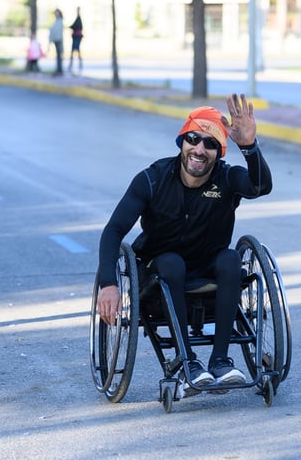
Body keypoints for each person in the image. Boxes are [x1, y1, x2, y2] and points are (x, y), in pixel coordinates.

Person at [95, 94, 272, 397]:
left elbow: (260, 186)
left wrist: (250, 147)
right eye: (193, 139)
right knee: (172, 262)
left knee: (231, 259)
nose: (200, 149)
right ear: (182, 142)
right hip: (158, 276)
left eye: (211, 143)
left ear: (219, 152)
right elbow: (113, 231)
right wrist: (109, 284)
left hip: (210, 271)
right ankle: (187, 363)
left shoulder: (226, 178)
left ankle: (219, 361)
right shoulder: (151, 179)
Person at [48, 8, 64, 76]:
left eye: (56, 13)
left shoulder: (60, 21)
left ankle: (59, 70)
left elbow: (56, 30)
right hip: (56, 40)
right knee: (58, 56)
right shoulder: (56, 21)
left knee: (59, 56)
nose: (55, 14)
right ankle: (58, 70)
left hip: (58, 40)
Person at [68, 7, 83, 73]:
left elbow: (76, 26)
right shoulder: (77, 18)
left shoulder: (79, 19)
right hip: (75, 37)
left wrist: (71, 27)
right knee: (75, 50)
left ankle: (76, 64)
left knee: (75, 50)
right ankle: (74, 64)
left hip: (77, 37)